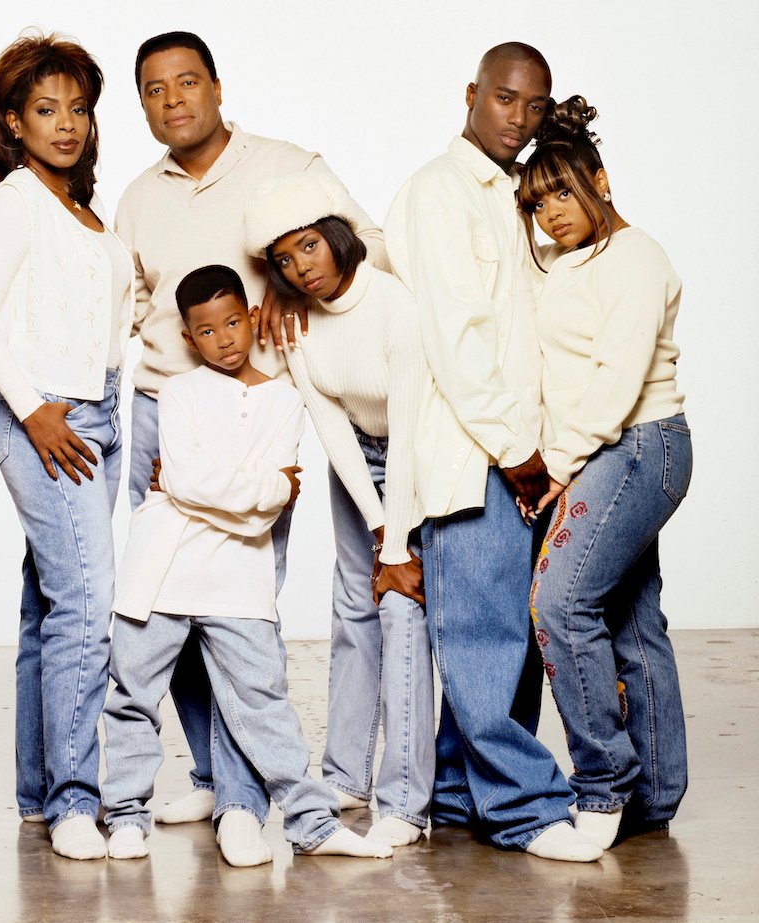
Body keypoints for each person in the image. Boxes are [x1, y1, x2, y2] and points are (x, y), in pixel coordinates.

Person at [115, 28, 391, 838]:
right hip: (164, 407)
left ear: (217, 86)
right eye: (155, 90)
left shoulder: (288, 166)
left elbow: (366, 245)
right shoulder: (137, 197)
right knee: (164, 608)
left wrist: (292, 286)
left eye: (187, 82)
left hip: (255, 419)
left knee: (239, 615)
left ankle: (241, 796)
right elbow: (123, 309)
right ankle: (207, 771)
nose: (173, 101)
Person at [383, 42, 601, 861]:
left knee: (509, 642)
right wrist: (516, 451)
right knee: (482, 638)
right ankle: (526, 809)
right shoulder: (440, 194)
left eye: (535, 106)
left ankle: (459, 795)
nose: (520, 118)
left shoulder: (515, 196)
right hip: (475, 452)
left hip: (518, 451)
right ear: (472, 94)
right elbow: (456, 340)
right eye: (506, 99)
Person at [101, 264, 393, 865]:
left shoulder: (286, 400)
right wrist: (261, 486)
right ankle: (126, 816)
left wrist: (219, 493)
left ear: (251, 318)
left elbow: (254, 515)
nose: (225, 339)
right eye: (207, 331)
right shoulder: (175, 393)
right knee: (132, 695)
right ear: (188, 338)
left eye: (234, 322)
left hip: (240, 581)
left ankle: (310, 823)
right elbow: (192, 479)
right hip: (159, 574)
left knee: (264, 704)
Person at [0, 33, 131, 861]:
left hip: (100, 414)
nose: (66, 124)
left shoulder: (89, 213)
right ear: (14, 122)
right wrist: (33, 410)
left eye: (80, 109)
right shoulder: (18, 198)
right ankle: (72, 799)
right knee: (89, 608)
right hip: (51, 419)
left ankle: (37, 792)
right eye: (47, 109)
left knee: (51, 609)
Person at [518, 97, 691, 850]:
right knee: (628, 617)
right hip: (604, 449)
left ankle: (601, 789)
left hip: (634, 443)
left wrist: (555, 466)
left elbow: (617, 384)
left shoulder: (637, 257)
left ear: (602, 179)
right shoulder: (563, 262)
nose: (552, 212)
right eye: (537, 200)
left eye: (564, 191)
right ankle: (653, 795)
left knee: (558, 605)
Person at [244, 172, 433, 847]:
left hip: (425, 458)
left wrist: (398, 537)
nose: (301, 269)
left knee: (401, 607)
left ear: (336, 236)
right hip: (358, 460)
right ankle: (348, 775)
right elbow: (331, 428)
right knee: (354, 607)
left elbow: (410, 430)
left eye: (308, 250)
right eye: (285, 261)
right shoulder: (300, 324)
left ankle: (406, 802)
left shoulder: (395, 308)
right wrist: (379, 525)